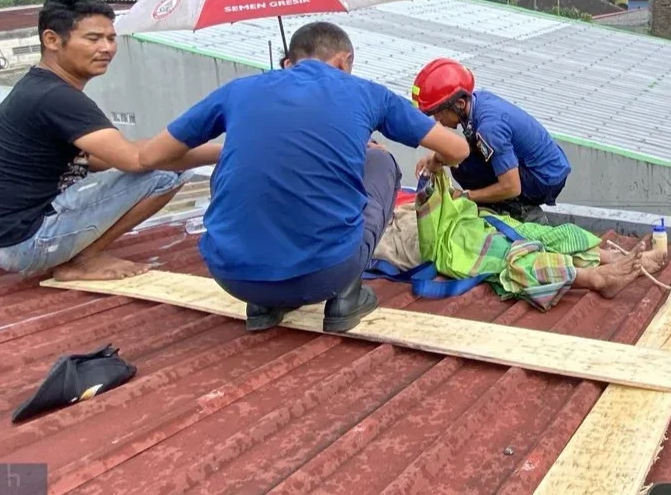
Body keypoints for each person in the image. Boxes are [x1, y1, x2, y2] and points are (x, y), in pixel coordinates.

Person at [143, 22, 473, 333]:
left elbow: (152, 156)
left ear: (289, 63)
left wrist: (230, 150)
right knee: (381, 160)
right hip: (324, 274)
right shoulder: (367, 93)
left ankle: (265, 307)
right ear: (345, 62)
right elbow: (458, 149)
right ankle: (347, 297)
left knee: (241, 173)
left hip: (233, 277)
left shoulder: (238, 90)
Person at [0, 0, 220, 281]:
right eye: (93, 38)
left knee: (155, 160)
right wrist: (228, 150)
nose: (106, 48)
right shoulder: (56, 97)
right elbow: (137, 160)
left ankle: (79, 254)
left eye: (111, 38)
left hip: (4, 241)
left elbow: (104, 159)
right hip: (26, 243)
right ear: (52, 40)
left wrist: (215, 148)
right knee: (168, 173)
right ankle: (84, 260)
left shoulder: (39, 86)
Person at [411, 58, 572, 223]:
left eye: (438, 112)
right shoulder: (477, 101)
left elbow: (512, 186)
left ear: (459, 103)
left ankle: (519, 211)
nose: (437, 119)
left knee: (464, 167)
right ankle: (497, 200)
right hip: (547, 166)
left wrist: (466, 196)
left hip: (545, 179)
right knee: (458, 159)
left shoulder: (490, 129)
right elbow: (470, 147)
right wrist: (437, 157)